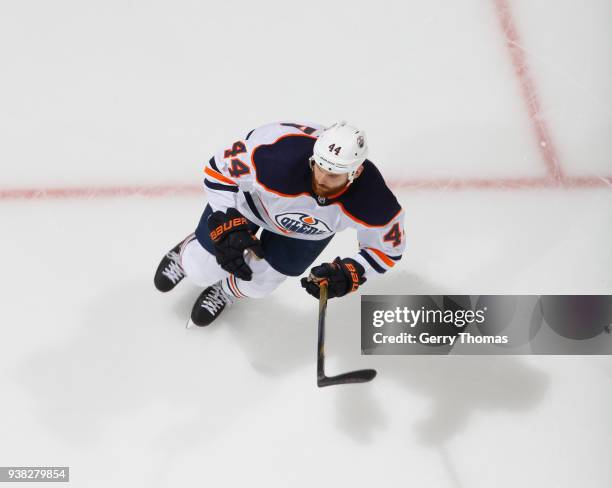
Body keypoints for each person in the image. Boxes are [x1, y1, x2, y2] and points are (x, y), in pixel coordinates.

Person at [154, 121, 406, 327]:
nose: (321, 178)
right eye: (319, 167)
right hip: (251, 206)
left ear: (356, 172)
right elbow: (218, 170)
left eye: (334, 174)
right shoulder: (276, 157)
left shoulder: (374, 200)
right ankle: (186, 250)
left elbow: (387, 250)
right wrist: (226, 221)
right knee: (200, 268)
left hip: (306, 233)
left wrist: (352, 271)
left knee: (258, 285)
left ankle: (226, 291)